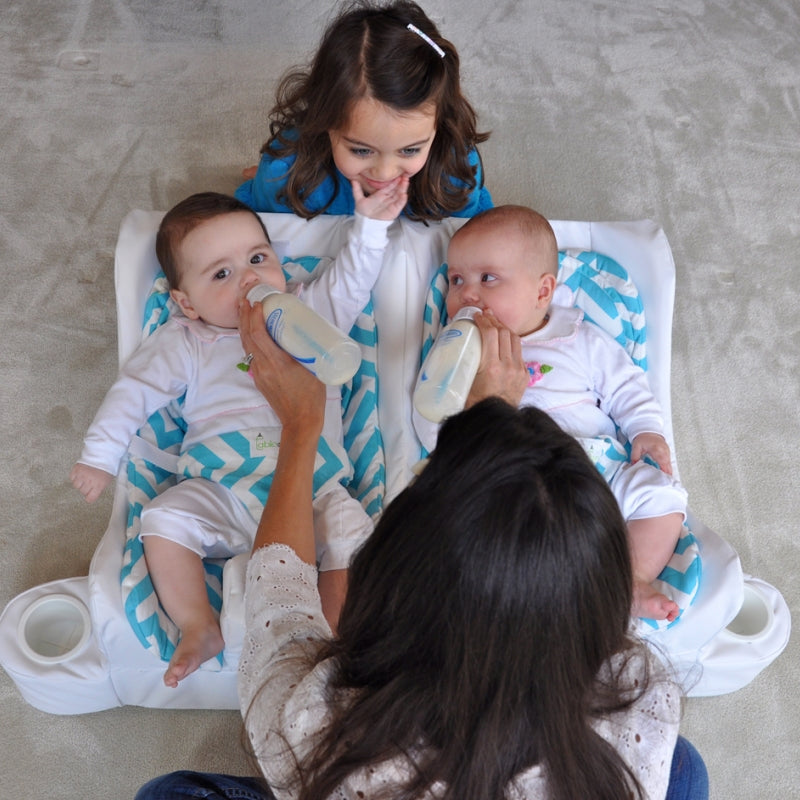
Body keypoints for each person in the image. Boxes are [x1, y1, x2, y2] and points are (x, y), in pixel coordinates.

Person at [134, 301, 708, 800]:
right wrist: (492, 424)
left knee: (169, 794)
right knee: (681, 767)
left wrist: (301, 426)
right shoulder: (643, 690)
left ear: (393, 575)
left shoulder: (316, 724)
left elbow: (278, 597)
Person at [70, 180, 407, 687]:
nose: (248, 280)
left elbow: (353, 277)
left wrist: (373, 225)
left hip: (314, 488)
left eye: (257, 258)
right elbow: (134, 391)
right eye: (222, 274)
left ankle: (337, 638)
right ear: (187, 303)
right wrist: (100, 456)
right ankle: (198, 624)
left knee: (355, 536)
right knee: (164, 517)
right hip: (223, 488)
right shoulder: (188, 341)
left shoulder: (307, 314)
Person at [416, 204, 688, 622]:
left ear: (543, 292)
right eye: (456, 280)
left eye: (487, 278)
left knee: (662, 494)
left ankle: (627, 580)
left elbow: (627, 387)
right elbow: (432, 426)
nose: (466, 295)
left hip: (598, 469)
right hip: (514, 478)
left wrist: (646, 430)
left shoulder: (579, 338)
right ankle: (536, 592)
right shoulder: (456, 355)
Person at [235, 0, 492, 222]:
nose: (384, 173)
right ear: (325, 120)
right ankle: (256, 177)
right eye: (361, 150)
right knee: (269, 182)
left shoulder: (457, 175)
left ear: (439, 125)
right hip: (299, 179)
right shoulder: (285, 178)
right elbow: (262, 238)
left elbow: (473, 243)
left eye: (410, 149)